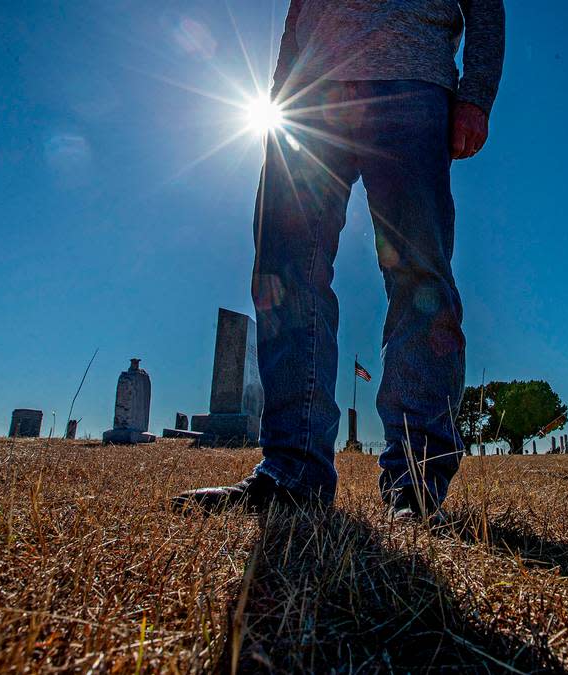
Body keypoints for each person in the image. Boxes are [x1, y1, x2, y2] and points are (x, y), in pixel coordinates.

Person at [173, 0, 505, 520]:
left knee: (421, 278)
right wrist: (279, 98)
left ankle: (415, 487)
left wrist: (477, 95)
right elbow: (297, 12)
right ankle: (293, 471)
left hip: (411, 82)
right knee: (283, 271)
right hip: (309, 99)